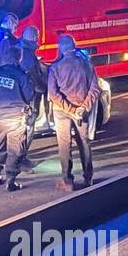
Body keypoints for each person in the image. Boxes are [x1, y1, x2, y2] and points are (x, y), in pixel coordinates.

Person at [46, 33, 101, 191]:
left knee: (64, 145)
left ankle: (67, 181)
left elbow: (53, 94)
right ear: (74, 47)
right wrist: (83, 108)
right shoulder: (86, 64)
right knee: (84, 143)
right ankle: (88, 177)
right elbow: (94, 88)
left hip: (62, 111)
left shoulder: (55, 67)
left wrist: (70, 109)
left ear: (61, 49)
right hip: (81, 110)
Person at [0, 41, 36, 190]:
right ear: (18, 58)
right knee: (15, 150)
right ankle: (10, 181)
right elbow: (29, 95)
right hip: (15, 118)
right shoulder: (21, 75)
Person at [19, 24, 48, 136]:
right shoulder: (28, 54)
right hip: (30, 94)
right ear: (34, 37)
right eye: (37, 35)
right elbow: (33, 76)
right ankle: (23, 147)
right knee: (29, 121)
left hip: (23, 92)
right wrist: (42, 88)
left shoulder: (21, 48)